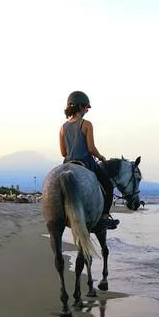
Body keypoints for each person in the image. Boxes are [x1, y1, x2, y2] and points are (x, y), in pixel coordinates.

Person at [60, 91, 119, 230]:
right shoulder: (86, 124)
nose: (87, 110)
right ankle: (104, 217)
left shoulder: (62, 128)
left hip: (68, 164)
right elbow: (91, 148)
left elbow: (63, 152)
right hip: (85, 163)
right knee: (108, 186)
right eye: (86, 107)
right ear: (81, 107)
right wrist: (101, 157)